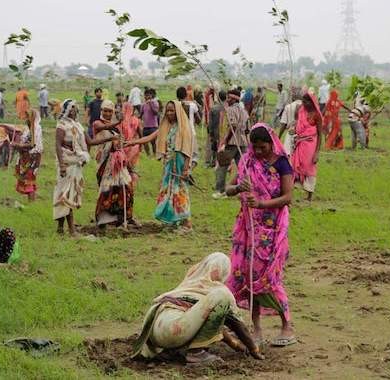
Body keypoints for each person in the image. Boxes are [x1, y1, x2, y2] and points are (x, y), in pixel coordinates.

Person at [225, 124, 296, 347]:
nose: (258, 152)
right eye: (254, 147)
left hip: (273, 229)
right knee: (249, 277)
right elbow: (228, 188)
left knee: (271, 278)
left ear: (271, 143)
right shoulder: (247, 161)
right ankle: (256, 329)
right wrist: (238, 188)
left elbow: (287, 197)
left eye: (262, 147)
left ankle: (287, 326)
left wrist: (262, 203)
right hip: (249, 229)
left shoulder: (282, 163)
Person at [133, 252, 264, 363]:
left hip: (154, 333)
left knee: (208, 309)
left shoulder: (189, 283)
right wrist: (253, 349)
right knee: (222, 297)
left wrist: (235, 345)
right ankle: (196, 353)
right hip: (174, 331)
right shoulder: (218, 290)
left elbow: (207, 320)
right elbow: (238, 325)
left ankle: (172, 351)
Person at [126, 101, 194, 230]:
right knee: (169, 191)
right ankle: (173, 221)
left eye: (172, 111)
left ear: (178, 112)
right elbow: (150, 137)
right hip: (169, 164)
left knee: (180, 191)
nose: (169, 113)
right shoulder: (166, 127)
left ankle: (187, 223)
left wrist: (186, 168)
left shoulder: (184, 127)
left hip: (179, 163)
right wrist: (131, 142)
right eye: (167, 111)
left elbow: (188, 149)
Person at [53, 99, 116, 235]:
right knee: (65, 195)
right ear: (67, 109)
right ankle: (71, 230)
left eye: (76, 107)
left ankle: (60, 229)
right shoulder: (62, 125)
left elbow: (91, 141)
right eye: (72, 107)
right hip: (66, 164)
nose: (75, 110)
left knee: (68, 195)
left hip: (76, 164)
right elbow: (58, 145)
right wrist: (62, 165)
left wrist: (109, 139)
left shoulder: (78, 126)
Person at [92, 100, 135, 228]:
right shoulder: (97, 123)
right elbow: (103, 128)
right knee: (107, 190)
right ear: (101, 111)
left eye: (110, 111)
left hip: (117, 163)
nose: (107, 113)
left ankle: (124, 217)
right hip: (105, 163)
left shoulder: (115, 127)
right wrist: (118, 122)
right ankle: (103, 220)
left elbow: (120, 144)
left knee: (126, 187)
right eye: (105, 110)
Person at [213, 89, 248, 199]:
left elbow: (232, 125)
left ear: (233, 99)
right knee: (243, 167)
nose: (227, 100)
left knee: (222, 166)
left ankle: (221, 191)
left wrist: (225, 142)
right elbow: (247, 129)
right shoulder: (244, 111)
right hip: (243, 142)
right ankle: (247, 189)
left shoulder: (230, 110)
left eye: (228, 98)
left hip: (232, 142)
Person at [290, 92, 323, 202]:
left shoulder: (316, 115)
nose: (304, 104)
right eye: (303, 101)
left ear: (312, 102)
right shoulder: (301, 110)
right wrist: (294, 130)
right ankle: (290, 190)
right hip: (299, 143)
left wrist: (317, 152)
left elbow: (319, 134)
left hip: (310, 145)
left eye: (307, 102)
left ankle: (309, 194)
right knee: (294, 166)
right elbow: (297, 124)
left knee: (309, 168)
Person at [14, 109, 43, 201]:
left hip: (32, 157)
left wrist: (18, 145)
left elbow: (32, 145)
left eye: (28, 116)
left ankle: (32, 203)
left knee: (29, 179)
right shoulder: (28, 128)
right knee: (26, 179)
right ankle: (31, 203)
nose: (26, 118)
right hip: (26, 157)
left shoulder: (35, 128)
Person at [177, 86, 202, 167]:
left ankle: (182, 170)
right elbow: (199, 120)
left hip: (179, 133)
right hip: (191, 133)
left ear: (177, 96)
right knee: (194, 156)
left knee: (181, 154)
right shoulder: (192, 105)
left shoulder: (175, 105)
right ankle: (189, 171)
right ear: (186, 95)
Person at [206, 91, 227, 169]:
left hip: (215, 131)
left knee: (214, 147)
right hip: (225, 132)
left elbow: (210, 123)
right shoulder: (227, 108)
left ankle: (214, 162)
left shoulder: (213, 108)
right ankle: (221, 162)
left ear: (218, 98)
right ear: (226, 98)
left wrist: (210, 132)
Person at [140, 88, 159, 156]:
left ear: (151, 96)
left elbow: (156, 113)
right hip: (145, 127)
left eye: (148, 95)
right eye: (146, 95)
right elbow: (141, 114)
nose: (147, 97)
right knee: (144, 142)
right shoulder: (143, 104)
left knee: (153, 142)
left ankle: (154, 155)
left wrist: (150, 103)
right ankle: (148, 155)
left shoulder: (155, 103)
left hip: (153, 127)